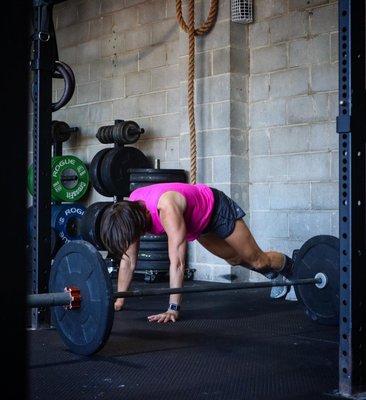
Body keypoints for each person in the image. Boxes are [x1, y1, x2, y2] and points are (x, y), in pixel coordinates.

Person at [100, 182, 294, 323]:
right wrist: (119, 300)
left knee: (257, 260)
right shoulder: (128, 215)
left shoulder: (166, 208)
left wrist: (173, 308)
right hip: (198, 226)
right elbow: (128, 261)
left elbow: (177, 263)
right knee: (234, 259)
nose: (133, 240)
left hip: (217, 209)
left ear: (139, 220)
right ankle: (275, 274)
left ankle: (294, 268)